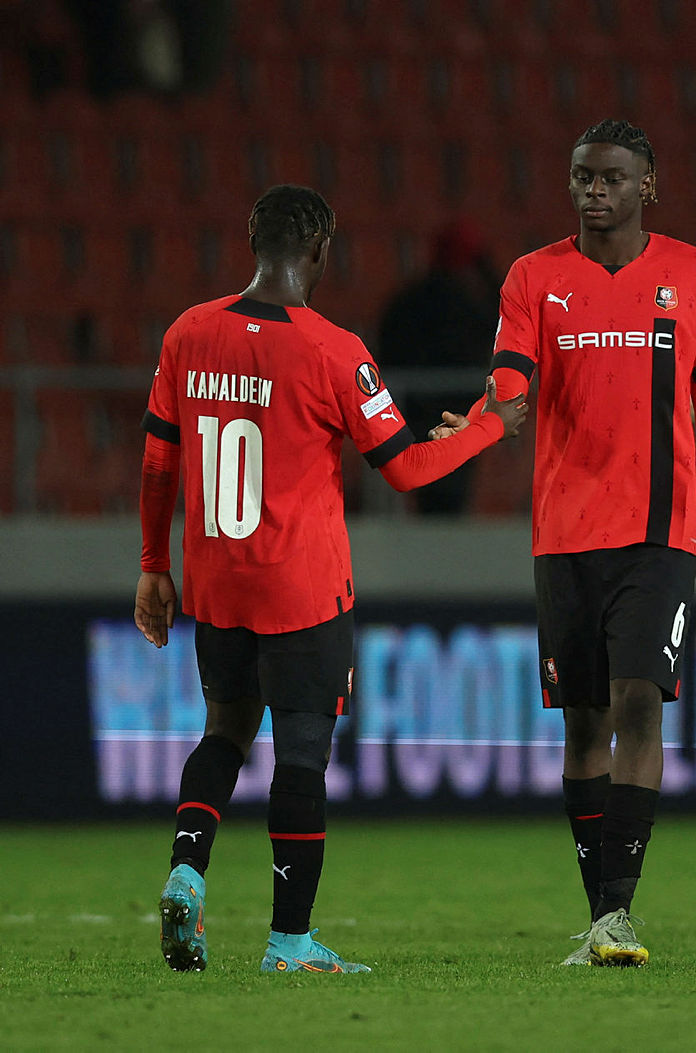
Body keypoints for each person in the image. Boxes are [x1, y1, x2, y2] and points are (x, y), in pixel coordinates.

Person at [136, 184, 525, 975]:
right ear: (319, 250)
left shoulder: (188, 332)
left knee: (224, 733)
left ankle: (186, 872)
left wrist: (152, 565)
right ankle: (289, 942)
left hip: (217, 583)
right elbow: (409, 469)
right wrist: (489, 424)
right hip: (302, 591)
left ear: (253, 238)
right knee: (301, 755)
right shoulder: (332, 349)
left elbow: (157, 460)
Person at [464, 119, 696, 967]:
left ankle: (619, 910)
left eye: (612, 178)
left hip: (660, 534)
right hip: (563, 533)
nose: (596, 191)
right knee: (584, 723)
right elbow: (512, 368)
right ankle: (600, 917)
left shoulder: (695, 276)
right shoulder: (534, 276)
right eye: (583, 177)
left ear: (647, 185)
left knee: (638, 702)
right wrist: (495, 408)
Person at [377, 218, 502, 515]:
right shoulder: (471, 305)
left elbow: (386, 353)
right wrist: (484, 263)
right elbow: (503, 318)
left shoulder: (406, 301)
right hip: (460, 413)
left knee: (428, 495)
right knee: (451, 498)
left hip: (415, 415)